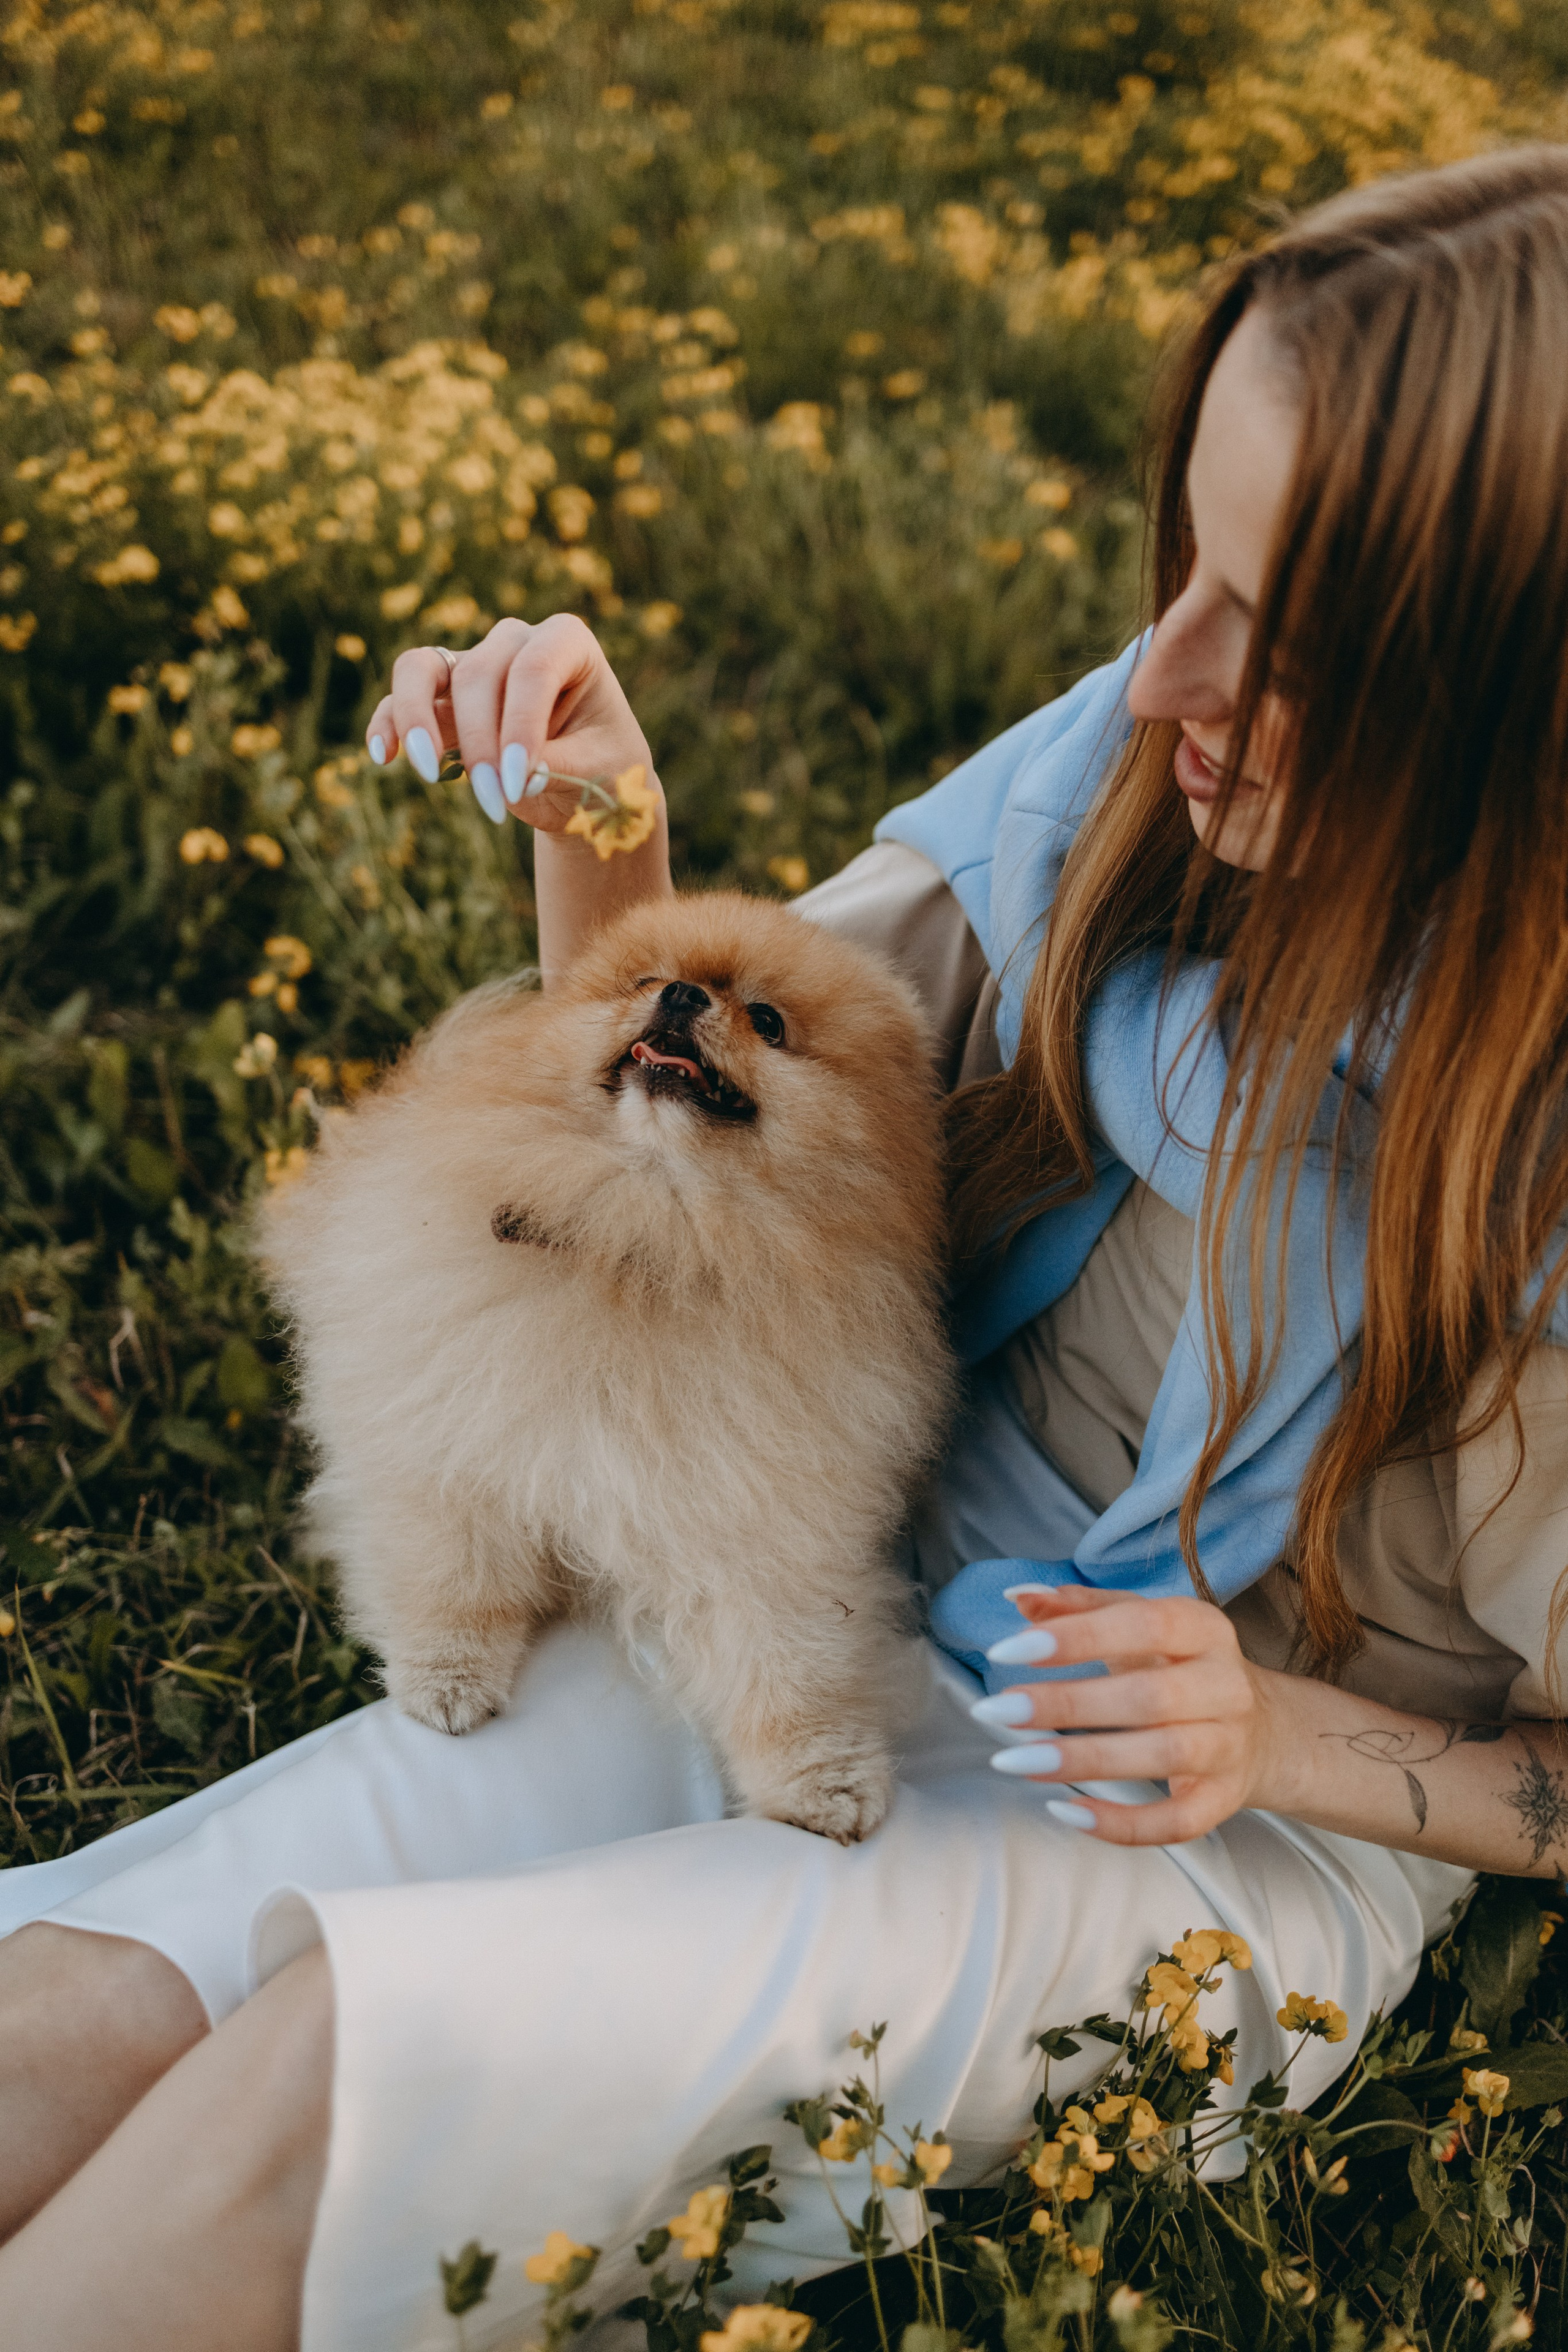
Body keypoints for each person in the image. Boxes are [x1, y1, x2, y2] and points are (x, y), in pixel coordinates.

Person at [2, 146, 1567, 2352]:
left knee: (351, 2067)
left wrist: (1279, 1738)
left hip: (1188, 1836)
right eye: (1185, 567)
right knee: (108, 1995)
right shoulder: (1127, 796)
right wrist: (607, 824)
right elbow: (756, 1099)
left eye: (1280, 638)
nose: (1161, 676)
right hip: (813, 1572)